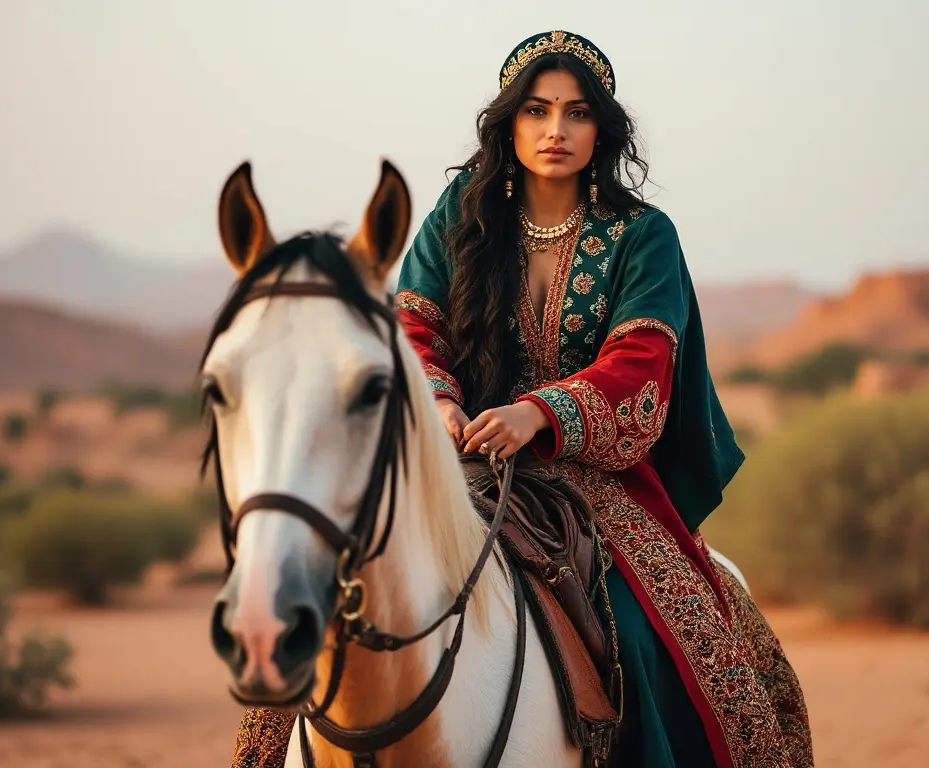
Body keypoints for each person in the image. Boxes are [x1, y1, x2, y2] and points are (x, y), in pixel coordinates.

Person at [228, 30, 813, 768]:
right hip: (452, 459)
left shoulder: (643, 236)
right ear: (509, 123)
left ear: (602, 127)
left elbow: (642, 361)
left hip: (593, 479)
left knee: (671, 638)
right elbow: (413, 325)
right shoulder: (457, 218)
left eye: (576, 113)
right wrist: (440, 404)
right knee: (306, 631)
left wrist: (539, 413)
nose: (556, 131)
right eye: (537, 112)